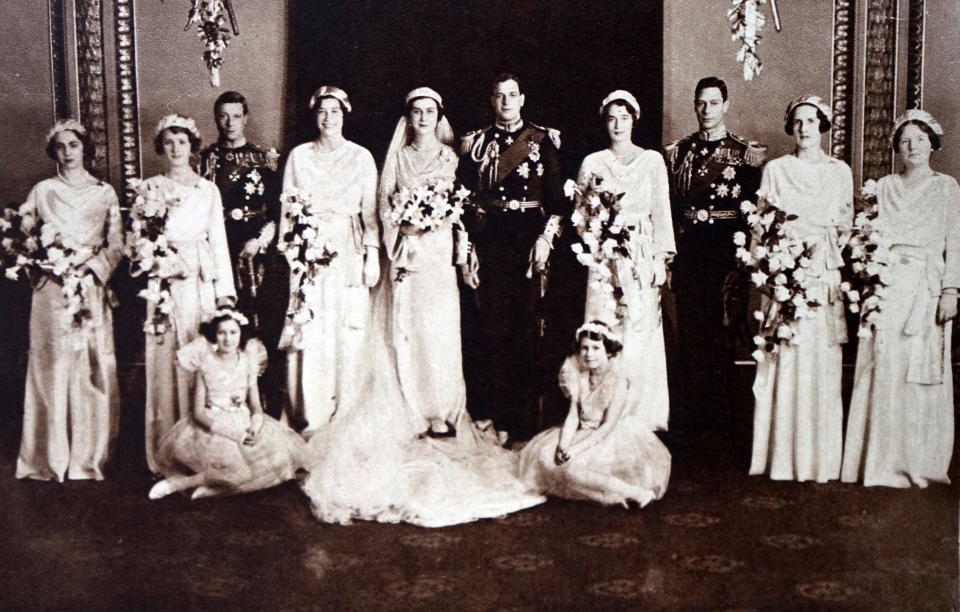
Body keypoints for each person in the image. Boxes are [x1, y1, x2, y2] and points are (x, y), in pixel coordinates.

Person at [841, 110, 959, 487]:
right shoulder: (885, 187)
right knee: (885, 365)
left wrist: (951, 290)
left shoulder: (947, 187)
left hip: (926, 288)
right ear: (896, 147)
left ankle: (920, 460)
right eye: (905, 141)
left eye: (920, 139)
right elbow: (868, 237)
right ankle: (880, 460)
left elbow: (954, 243)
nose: (913, 147)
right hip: (888, 285)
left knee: (919, 372)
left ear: (932, 144)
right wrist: (870, 271)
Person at [749, 95, 852, 482]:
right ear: (790, 126)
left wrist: (815, 256)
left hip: (821, 273)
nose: (804, 128)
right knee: (788, 355)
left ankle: (819, 459)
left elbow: (844, 229)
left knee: (819, 358)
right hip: (785, 273)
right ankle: (781, 456)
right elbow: (762, 226)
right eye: (798, 121)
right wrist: (775, 269)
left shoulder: (839, 171)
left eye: (811, 121)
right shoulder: (776, 170)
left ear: (822, 125)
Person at [457, 73, 566, 439]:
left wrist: (546, 241)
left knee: (524, 332)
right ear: (492, 100)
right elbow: (467, 201)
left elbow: (556, 204)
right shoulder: (476, 144)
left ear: (522, 99)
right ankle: (493, 419)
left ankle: (521, 423)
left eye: (512, 95)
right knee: (489, 331)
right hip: (491, 241)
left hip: (527, 242)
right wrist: (468, 249)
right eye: (499, 95)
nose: (506, 101)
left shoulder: (542, 140)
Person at [15, 119, 123, 481]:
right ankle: (51, 455)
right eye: (60, 147)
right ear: (53, 152)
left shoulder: (105, 192)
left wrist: (93, 268)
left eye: (73, 145)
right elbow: (21, 237)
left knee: (90, 362)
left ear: (84, 148)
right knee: (53, 364)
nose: (67, 152)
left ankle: (89, 455)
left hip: (89, 285)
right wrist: (44, 264)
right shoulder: (42, 191)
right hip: (52, 288)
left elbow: (116, 243)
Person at [664, 76, 765, 430]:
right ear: (695, 106)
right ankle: (693, 424)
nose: (706, 110)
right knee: (691, 336)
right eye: (700, 103)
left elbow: (752, 214)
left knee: (722, 336)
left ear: (726, 106)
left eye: (713, 103)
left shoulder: (744, 155)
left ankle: (723, 424)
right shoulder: (679, 153)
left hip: (725, 255)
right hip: (690, 253)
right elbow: (673, 210)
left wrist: (744, 259)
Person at [137, 114, 235, 475]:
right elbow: (140, 243)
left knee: (199, 353)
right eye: (168, 142)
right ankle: (166, 448)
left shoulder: (208, 190)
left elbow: (219, 242)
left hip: (200, 281)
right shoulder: (149, 189)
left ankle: (200, 447)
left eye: (182, 141)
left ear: (193, 146)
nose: (176, 149)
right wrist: (162, 261)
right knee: (165, 358)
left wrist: (225, 293)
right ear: (161, 147)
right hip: (163, 282)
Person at [279, 86, 380, 435]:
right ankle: (311, 413)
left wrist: (372, 254)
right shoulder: (299, 156)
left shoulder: (362, 157)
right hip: (309, 252)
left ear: (344, 114)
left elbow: (370, 214)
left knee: (347, 331)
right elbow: (288, 212)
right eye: (322, 111)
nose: (328, 118)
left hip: (348, 250)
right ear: (314, 115)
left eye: (335, 111)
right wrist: (293, 253)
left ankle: (347, 412)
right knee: (312, 330)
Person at [574, 90, 675, 431]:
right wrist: (598, 236)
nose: (618, 125)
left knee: (639, 328)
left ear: (634, 120)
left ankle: (639, 415)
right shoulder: (592, 162)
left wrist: (661, 259)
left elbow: (661, 211)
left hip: (641, 255)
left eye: (625, 118)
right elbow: (580, 216)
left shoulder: (652, 161)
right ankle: (600, 413)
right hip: (604, 258)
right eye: (612, 118)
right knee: (605, 324)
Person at [377, 86, 472, 434]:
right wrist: (404, 226)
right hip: (407, 250)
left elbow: (458, 211)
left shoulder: (451, 157)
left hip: (438, 252)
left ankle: (440, 406)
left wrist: (460, 253)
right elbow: (384, 204)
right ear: (408, 116)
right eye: (416, 111)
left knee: (439, 327)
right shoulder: (398, 158)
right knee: (409, 325)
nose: (422, 118)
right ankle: (410, 403)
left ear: (438, 116)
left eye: (429, 111)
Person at [148, 309, 304, 500]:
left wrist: (254, 427)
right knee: (241, 473)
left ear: (241, 334)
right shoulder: (204, 365)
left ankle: (214, 490)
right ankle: (180, 482)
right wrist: (233, 434)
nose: (228, 339)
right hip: (215, 425)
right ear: (214, 334)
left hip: (243, 421)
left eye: (233, 332)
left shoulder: (247, 362)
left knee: (279, 463)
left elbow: (255, 405)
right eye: (222, 333)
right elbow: (198, 413)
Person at [519, 320, 671, 507]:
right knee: (545, 457)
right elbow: (573, 416)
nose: (589, 354)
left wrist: (576, 449)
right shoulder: (581, 377)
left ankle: (638, 493)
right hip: (584, 430)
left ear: (608, 351)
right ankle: (605, 497)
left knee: (573, 470)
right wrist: (564, 444)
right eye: (584, 348)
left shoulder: (618, 380)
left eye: (595, 348)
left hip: (610, 436)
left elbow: (608, 426)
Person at [198, 91, 285, 415]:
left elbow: (277, 212)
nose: (229, 122)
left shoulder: (264, 159)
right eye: (223, 115)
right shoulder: (205, 159)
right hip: (219, 248)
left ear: (246, 117)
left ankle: (262, 403)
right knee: (224, 321)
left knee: (259, 321)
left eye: (236, 115)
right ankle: (223, 404)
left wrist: (260, 241)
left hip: (256, 251)